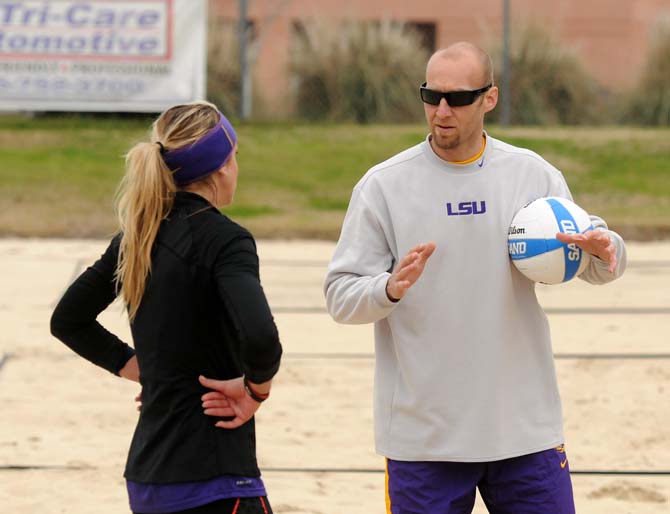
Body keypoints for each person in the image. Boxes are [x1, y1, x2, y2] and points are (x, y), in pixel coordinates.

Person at [323, 42, 626, 514]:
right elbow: (340, 297)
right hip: (424, 441)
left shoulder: (532, 175)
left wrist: (607, 250)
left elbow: (596, 259)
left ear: (489, 98)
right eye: (431, 95)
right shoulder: (383, 186)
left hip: (524, 432)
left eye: (459, 98)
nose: (442, 110)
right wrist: (388, 288)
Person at [50, 101, 282, 514]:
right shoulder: (226, 240)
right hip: (214, 479)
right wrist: (255, 391)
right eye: (236, 156)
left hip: (147, 477)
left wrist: (137, 366)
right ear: (222, 166)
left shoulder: (135, 237)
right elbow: (262, 339)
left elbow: (68, 319)